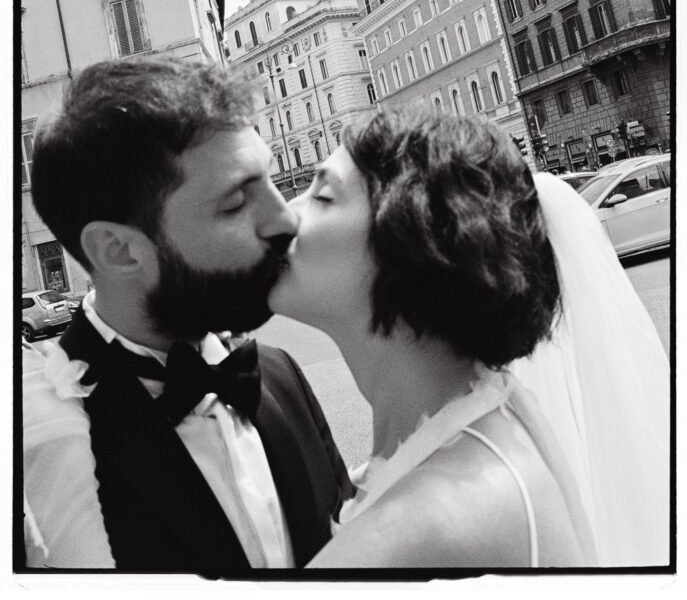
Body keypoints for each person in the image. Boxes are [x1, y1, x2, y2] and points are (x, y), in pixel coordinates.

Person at [269, 108, 670, 568]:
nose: (284, 214)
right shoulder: (481, 430)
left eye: (322, 196)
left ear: (413, 244)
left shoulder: (427, 525)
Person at [22, 57, 351, 572]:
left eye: (269, 179)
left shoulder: (281, 376)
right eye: (235, 203)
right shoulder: (47, 448)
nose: (285, 217)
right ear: (118, 250)